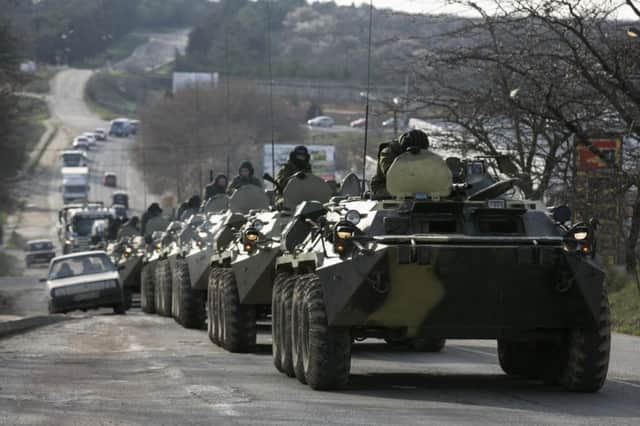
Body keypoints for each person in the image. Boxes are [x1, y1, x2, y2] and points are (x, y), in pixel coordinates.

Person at [370, 129, 430, 198]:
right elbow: (390, 173)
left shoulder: (422, 152)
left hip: (414, 188)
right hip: (385, 187)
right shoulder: (388, 151)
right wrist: (409, 158)